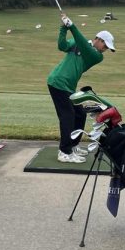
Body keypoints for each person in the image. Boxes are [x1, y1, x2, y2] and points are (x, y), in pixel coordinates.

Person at [46, 12, 115, 163]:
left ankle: (73, 145)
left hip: (69, 87)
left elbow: (84, 45)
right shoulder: (78, 42)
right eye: (106, 45)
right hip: (57, 82)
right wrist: (64, 28)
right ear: (98, 39)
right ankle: (64, 152)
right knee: (68, 116)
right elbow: (62, 46)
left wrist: (73, 26)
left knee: (80, 113)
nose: (105, 50)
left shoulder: (96, 56)